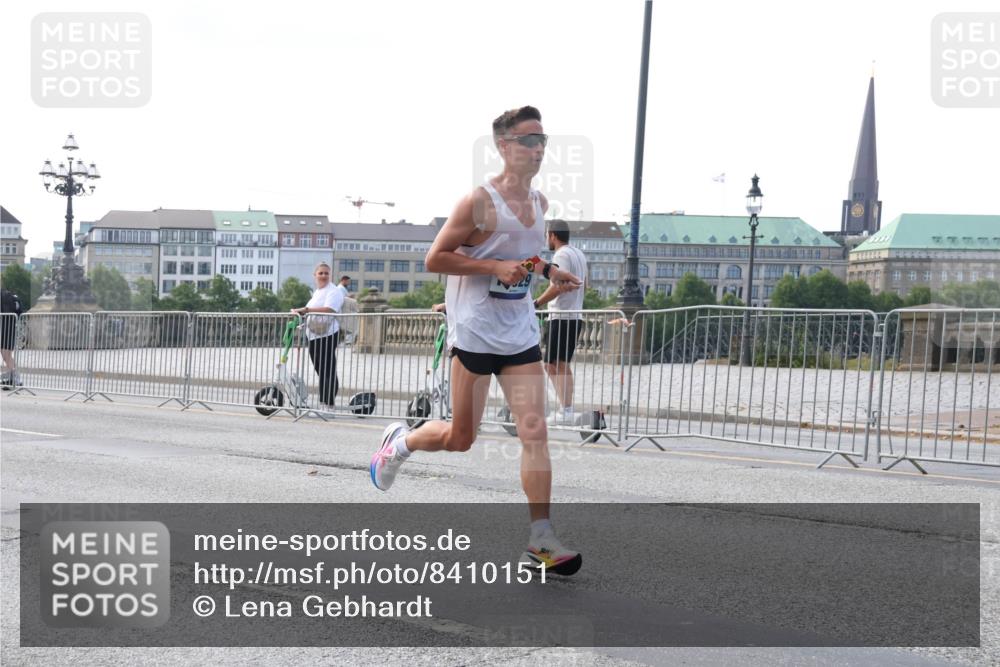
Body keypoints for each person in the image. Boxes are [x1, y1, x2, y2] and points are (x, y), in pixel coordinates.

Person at [369, 105, 584, 575]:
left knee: (535, 430)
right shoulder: (478, 202)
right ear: (503, 146)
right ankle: (400, 444)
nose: (538, 148)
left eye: (543, 140)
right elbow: (435, 258)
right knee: (461, 437)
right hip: (474, 330)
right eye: (528, 140)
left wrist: (548, 269)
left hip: (519, 330)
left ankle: (540, 538)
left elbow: (523, 255)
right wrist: (491, 268)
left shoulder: (540, 204)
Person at [533, 219, 588, 425]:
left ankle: (565, 409)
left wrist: (537, 303)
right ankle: (565, 408)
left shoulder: (561, 254)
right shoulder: (579, 254)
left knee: (553, 365)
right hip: (574, 315)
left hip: (561, 316)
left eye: (547, 234)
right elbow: (586, 284)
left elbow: (557, 284)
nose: (546, 238)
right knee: (558, 364)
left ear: (553, 235)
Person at [291, 262, 344, 408]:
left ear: (330, 275)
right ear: (315, 275)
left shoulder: (333, 291)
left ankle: (328, 403)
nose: (324, 276)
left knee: (327, 369)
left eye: (326, 273)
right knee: (321, 369)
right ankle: (325, 402)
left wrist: (306, 309)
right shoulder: (317, 292)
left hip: (327, 334)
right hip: (314, 335)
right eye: (320, 273)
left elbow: (330, 309)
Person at [1, 287, 23, 389]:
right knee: (6, 354)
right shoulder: (9, 296)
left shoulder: (5, 296)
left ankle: (15, 379)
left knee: (6, 354)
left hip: (6, 327)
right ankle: (13, 377)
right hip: (8, 327)